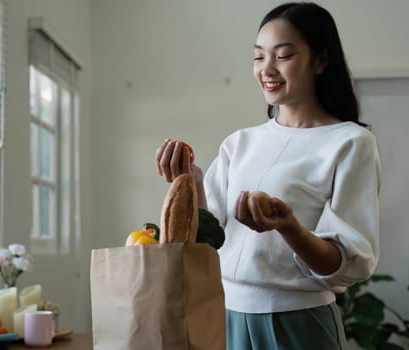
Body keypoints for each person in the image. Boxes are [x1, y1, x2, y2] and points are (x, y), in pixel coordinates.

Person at [155, 2, 381, 349]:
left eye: (283, 55)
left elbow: (346, 262)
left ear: (320, 61)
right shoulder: (240, 142)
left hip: (299, 324)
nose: (267, 69)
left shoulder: (350, 142)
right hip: (226, 316)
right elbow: (207, 235)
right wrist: (188, 182)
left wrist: (288, 227)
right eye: (259, 57)